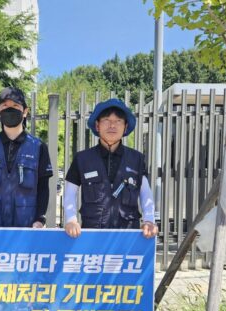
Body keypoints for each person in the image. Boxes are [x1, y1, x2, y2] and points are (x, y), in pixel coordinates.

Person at [63, 98, 157, 238]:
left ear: (125, 127)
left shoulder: (136, 159)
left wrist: (149, 220)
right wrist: (71, 220)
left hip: (128, 235)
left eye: (118, 121)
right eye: (106, 120)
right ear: (97, 125)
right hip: (92, 234)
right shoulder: (82, 159)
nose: (112, 126)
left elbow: (145, 194)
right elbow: (70, 193)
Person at [0, 87, 53, 228]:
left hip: (26, 228)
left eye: (15, 106)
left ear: (25, 112)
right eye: (5, 106)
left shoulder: (38, 147)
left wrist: (40, 219)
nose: (10, 109)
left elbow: (43, 187)